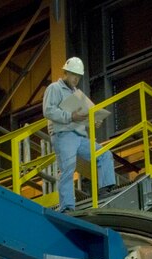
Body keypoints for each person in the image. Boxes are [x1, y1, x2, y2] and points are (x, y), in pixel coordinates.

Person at [42, 56, 116, 213]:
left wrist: (93, 121)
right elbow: (48, 111)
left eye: (78, 76)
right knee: (68, 168)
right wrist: (70, 116)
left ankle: (105, 189)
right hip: (63, 135)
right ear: (66, 73)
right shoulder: (54, 88)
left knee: (104, 154)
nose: (76, 79)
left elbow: (81, 116)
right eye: (73, 75)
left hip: (80, 136)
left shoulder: (77, 94)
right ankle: (67, 207)